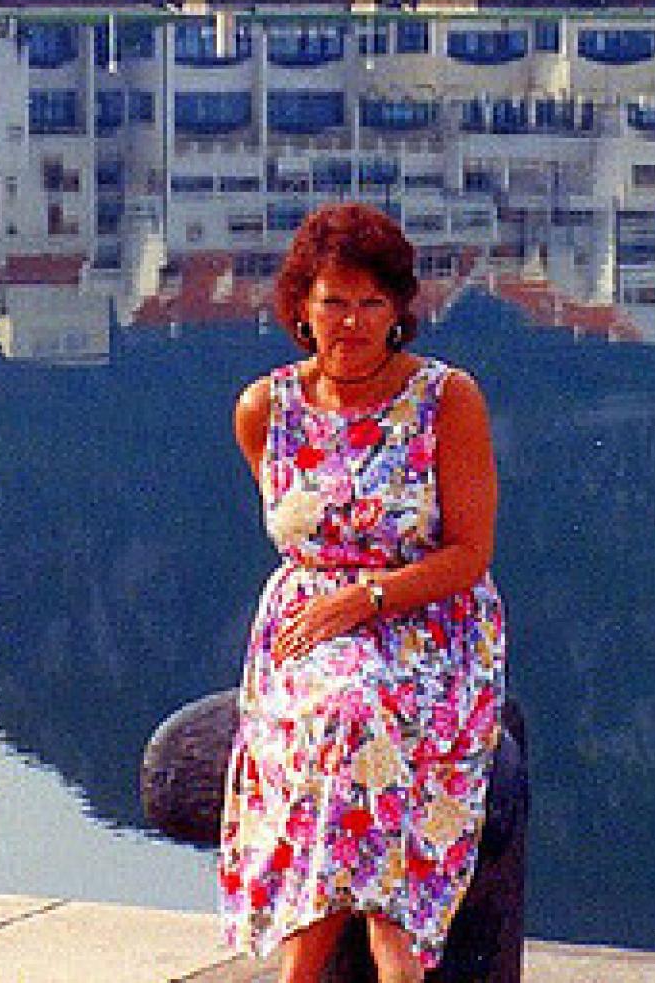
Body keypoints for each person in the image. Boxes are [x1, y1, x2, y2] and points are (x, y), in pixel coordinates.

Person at [220, 202, 506, 983]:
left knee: (359, 711)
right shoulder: (264, 409)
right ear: (301, 309)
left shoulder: (446, 400)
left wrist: (367, 598)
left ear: (399, 311)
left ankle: (340, 957)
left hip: (429, 619)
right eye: (334, 301)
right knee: (342, 707)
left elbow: (470, 554)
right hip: (310, 627)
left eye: (371, 302)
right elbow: (301, 537)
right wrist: (333, 609)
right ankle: (391, 949)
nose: (352, 321)